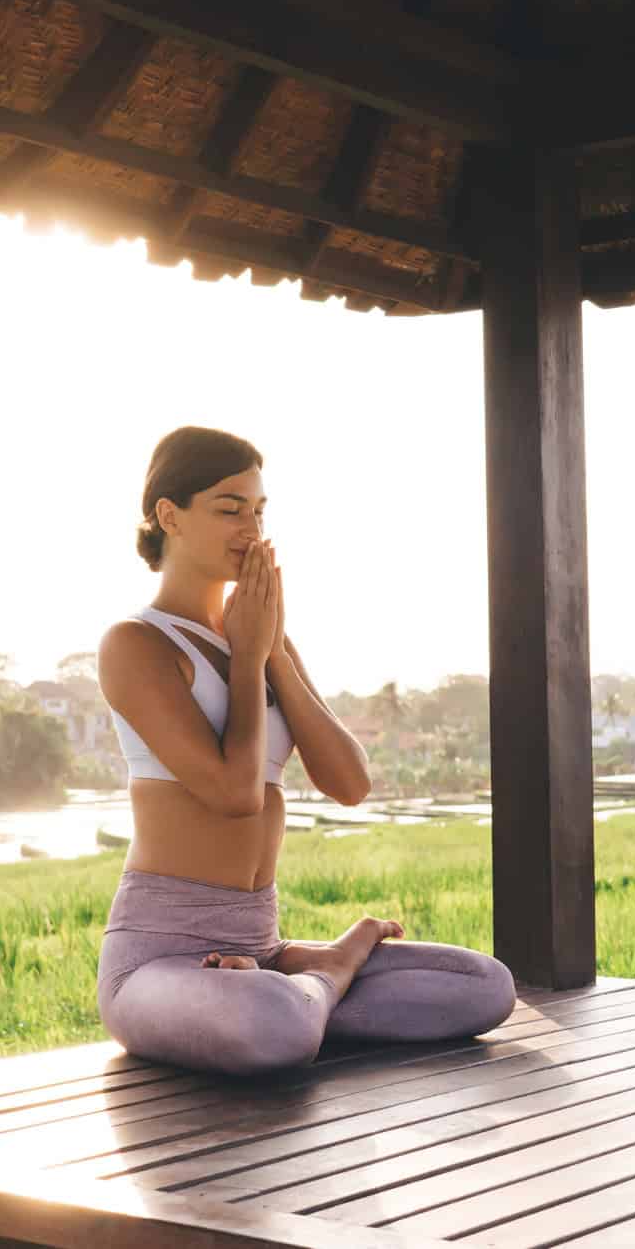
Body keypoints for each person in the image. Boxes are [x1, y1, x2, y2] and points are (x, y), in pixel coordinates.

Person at [96, 425, 515, 1075]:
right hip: (157, 959)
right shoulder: (135, 644)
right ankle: (331, 971)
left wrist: (270, 651)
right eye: (230, 508)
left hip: (262, 948)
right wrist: (247, 661)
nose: (250, 528)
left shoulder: (260, 635)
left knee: (485, 985)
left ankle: (303, 986)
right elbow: (234, 795)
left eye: (259, 511)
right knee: (272, 1023)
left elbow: (349, 781)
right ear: (168, 516)